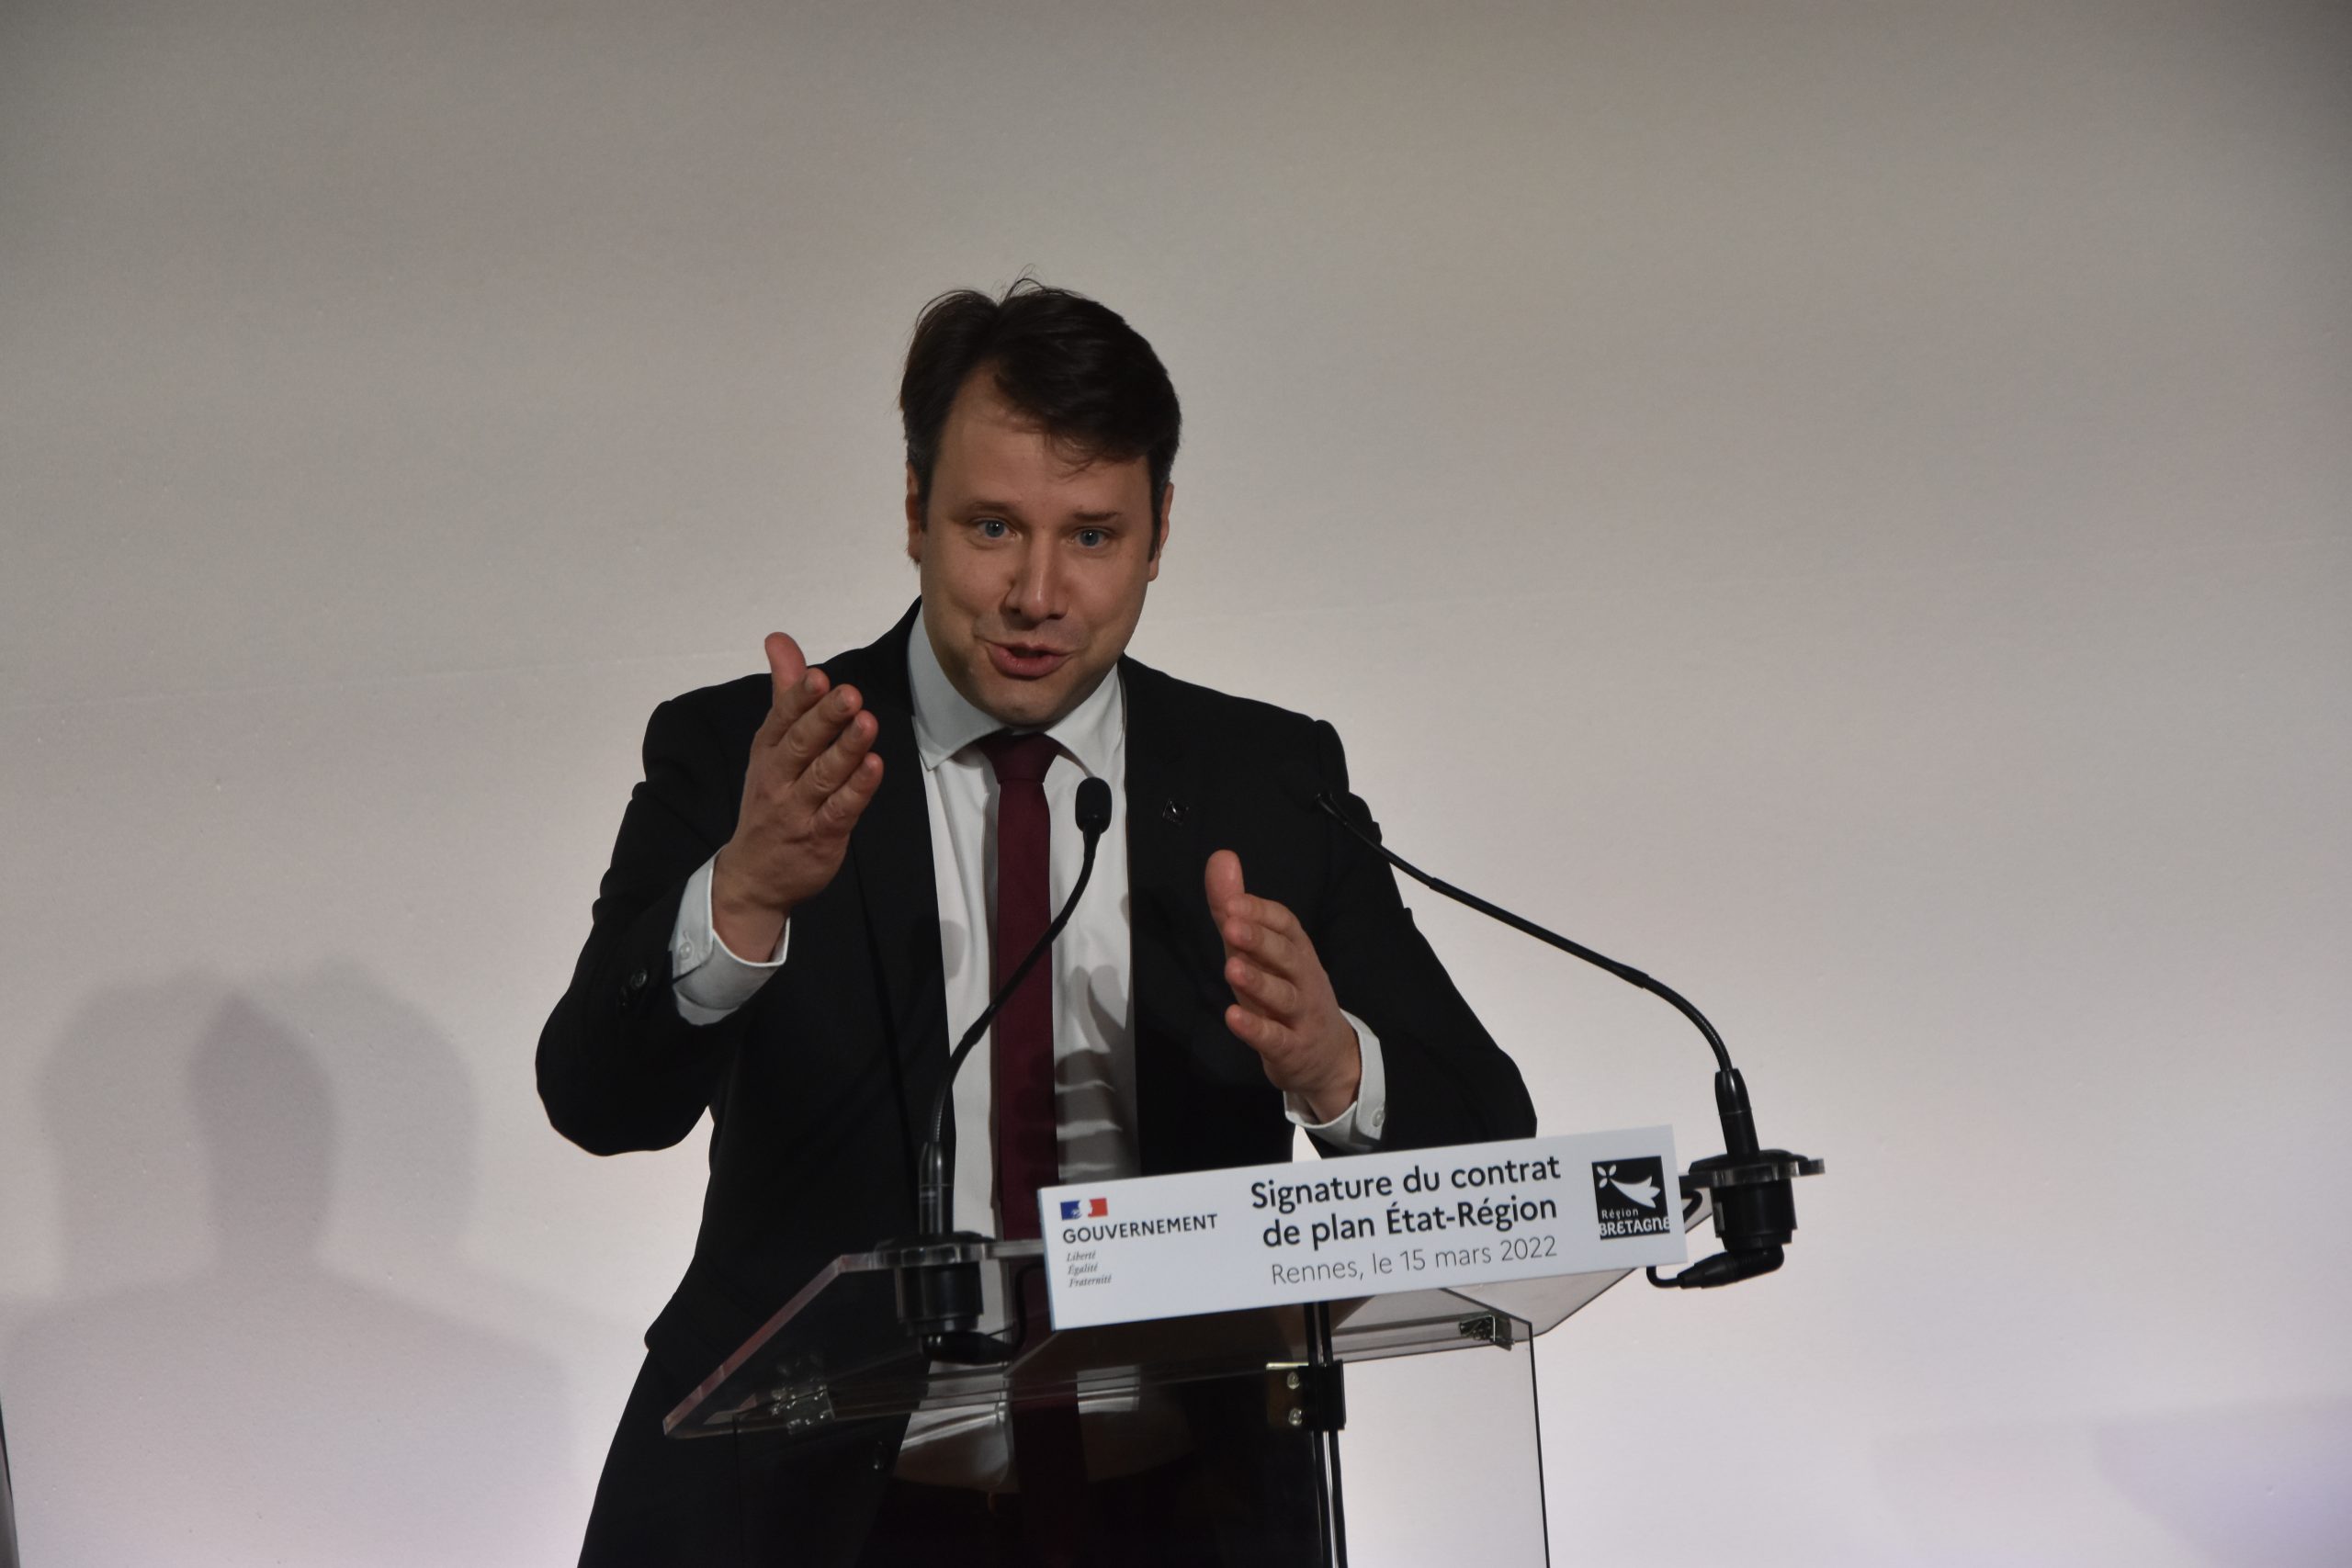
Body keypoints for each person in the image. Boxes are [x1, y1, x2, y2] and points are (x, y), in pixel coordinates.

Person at [537, 281, 1534, 1566]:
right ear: (915, 511)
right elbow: (597, 1101)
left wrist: (1337, 1069)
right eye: (994, 526)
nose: (1038, 593)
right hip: (812, 1516)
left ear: (1160, 532)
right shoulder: (755, 754)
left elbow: (1491, 1149)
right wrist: (741, 898)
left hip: (1185, 1522)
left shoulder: (1266, 781)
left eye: (1094, 535)